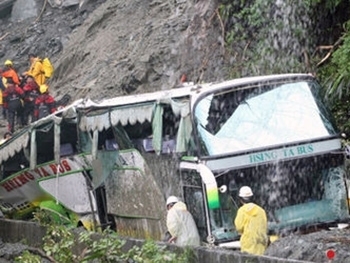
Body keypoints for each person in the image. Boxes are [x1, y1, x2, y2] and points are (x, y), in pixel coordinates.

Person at [234, 186, 268, 255]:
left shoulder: (242, 211)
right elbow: (265, 227)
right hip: (261, 245)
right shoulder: (261, 211)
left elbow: (239, 227)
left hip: (248, 246)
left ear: (240, 199)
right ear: (252, 197)